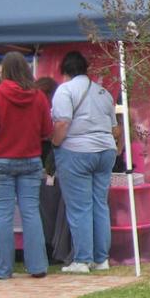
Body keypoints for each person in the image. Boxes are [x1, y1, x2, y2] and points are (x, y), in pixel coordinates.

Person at [0, 51, 53, 280]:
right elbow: (47, 130)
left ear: (5, 71)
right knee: (31, 212)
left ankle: (2, 269)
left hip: (2, 159)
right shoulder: (39, 97)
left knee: (3, 213)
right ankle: (37, 266)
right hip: (30, 159)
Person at [51, 51, 120, 274]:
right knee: (100, 204)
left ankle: (82, 259)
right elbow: (115, 128)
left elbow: (62, 123)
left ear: (64, 71)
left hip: (77, 150)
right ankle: (101, 259)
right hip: (105, 150)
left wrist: (55, 143)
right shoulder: (103, 92)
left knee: (80, 206)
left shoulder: (65, 90)